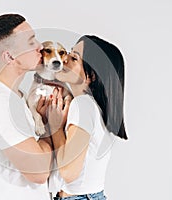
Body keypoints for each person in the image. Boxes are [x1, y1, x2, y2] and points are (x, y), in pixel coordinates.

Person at [0, 13, 54, 199]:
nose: (40, 47)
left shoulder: (17, 98)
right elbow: (38, 172)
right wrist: (52, 128)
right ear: (9, 56)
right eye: (31, 41)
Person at [47, 35, 128, 200]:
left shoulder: (83, 105)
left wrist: (55, 126)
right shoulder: (94, 107)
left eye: (74, 58)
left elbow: (69, 172)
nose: (64, 59)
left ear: (91, 75)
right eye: (69, 53)